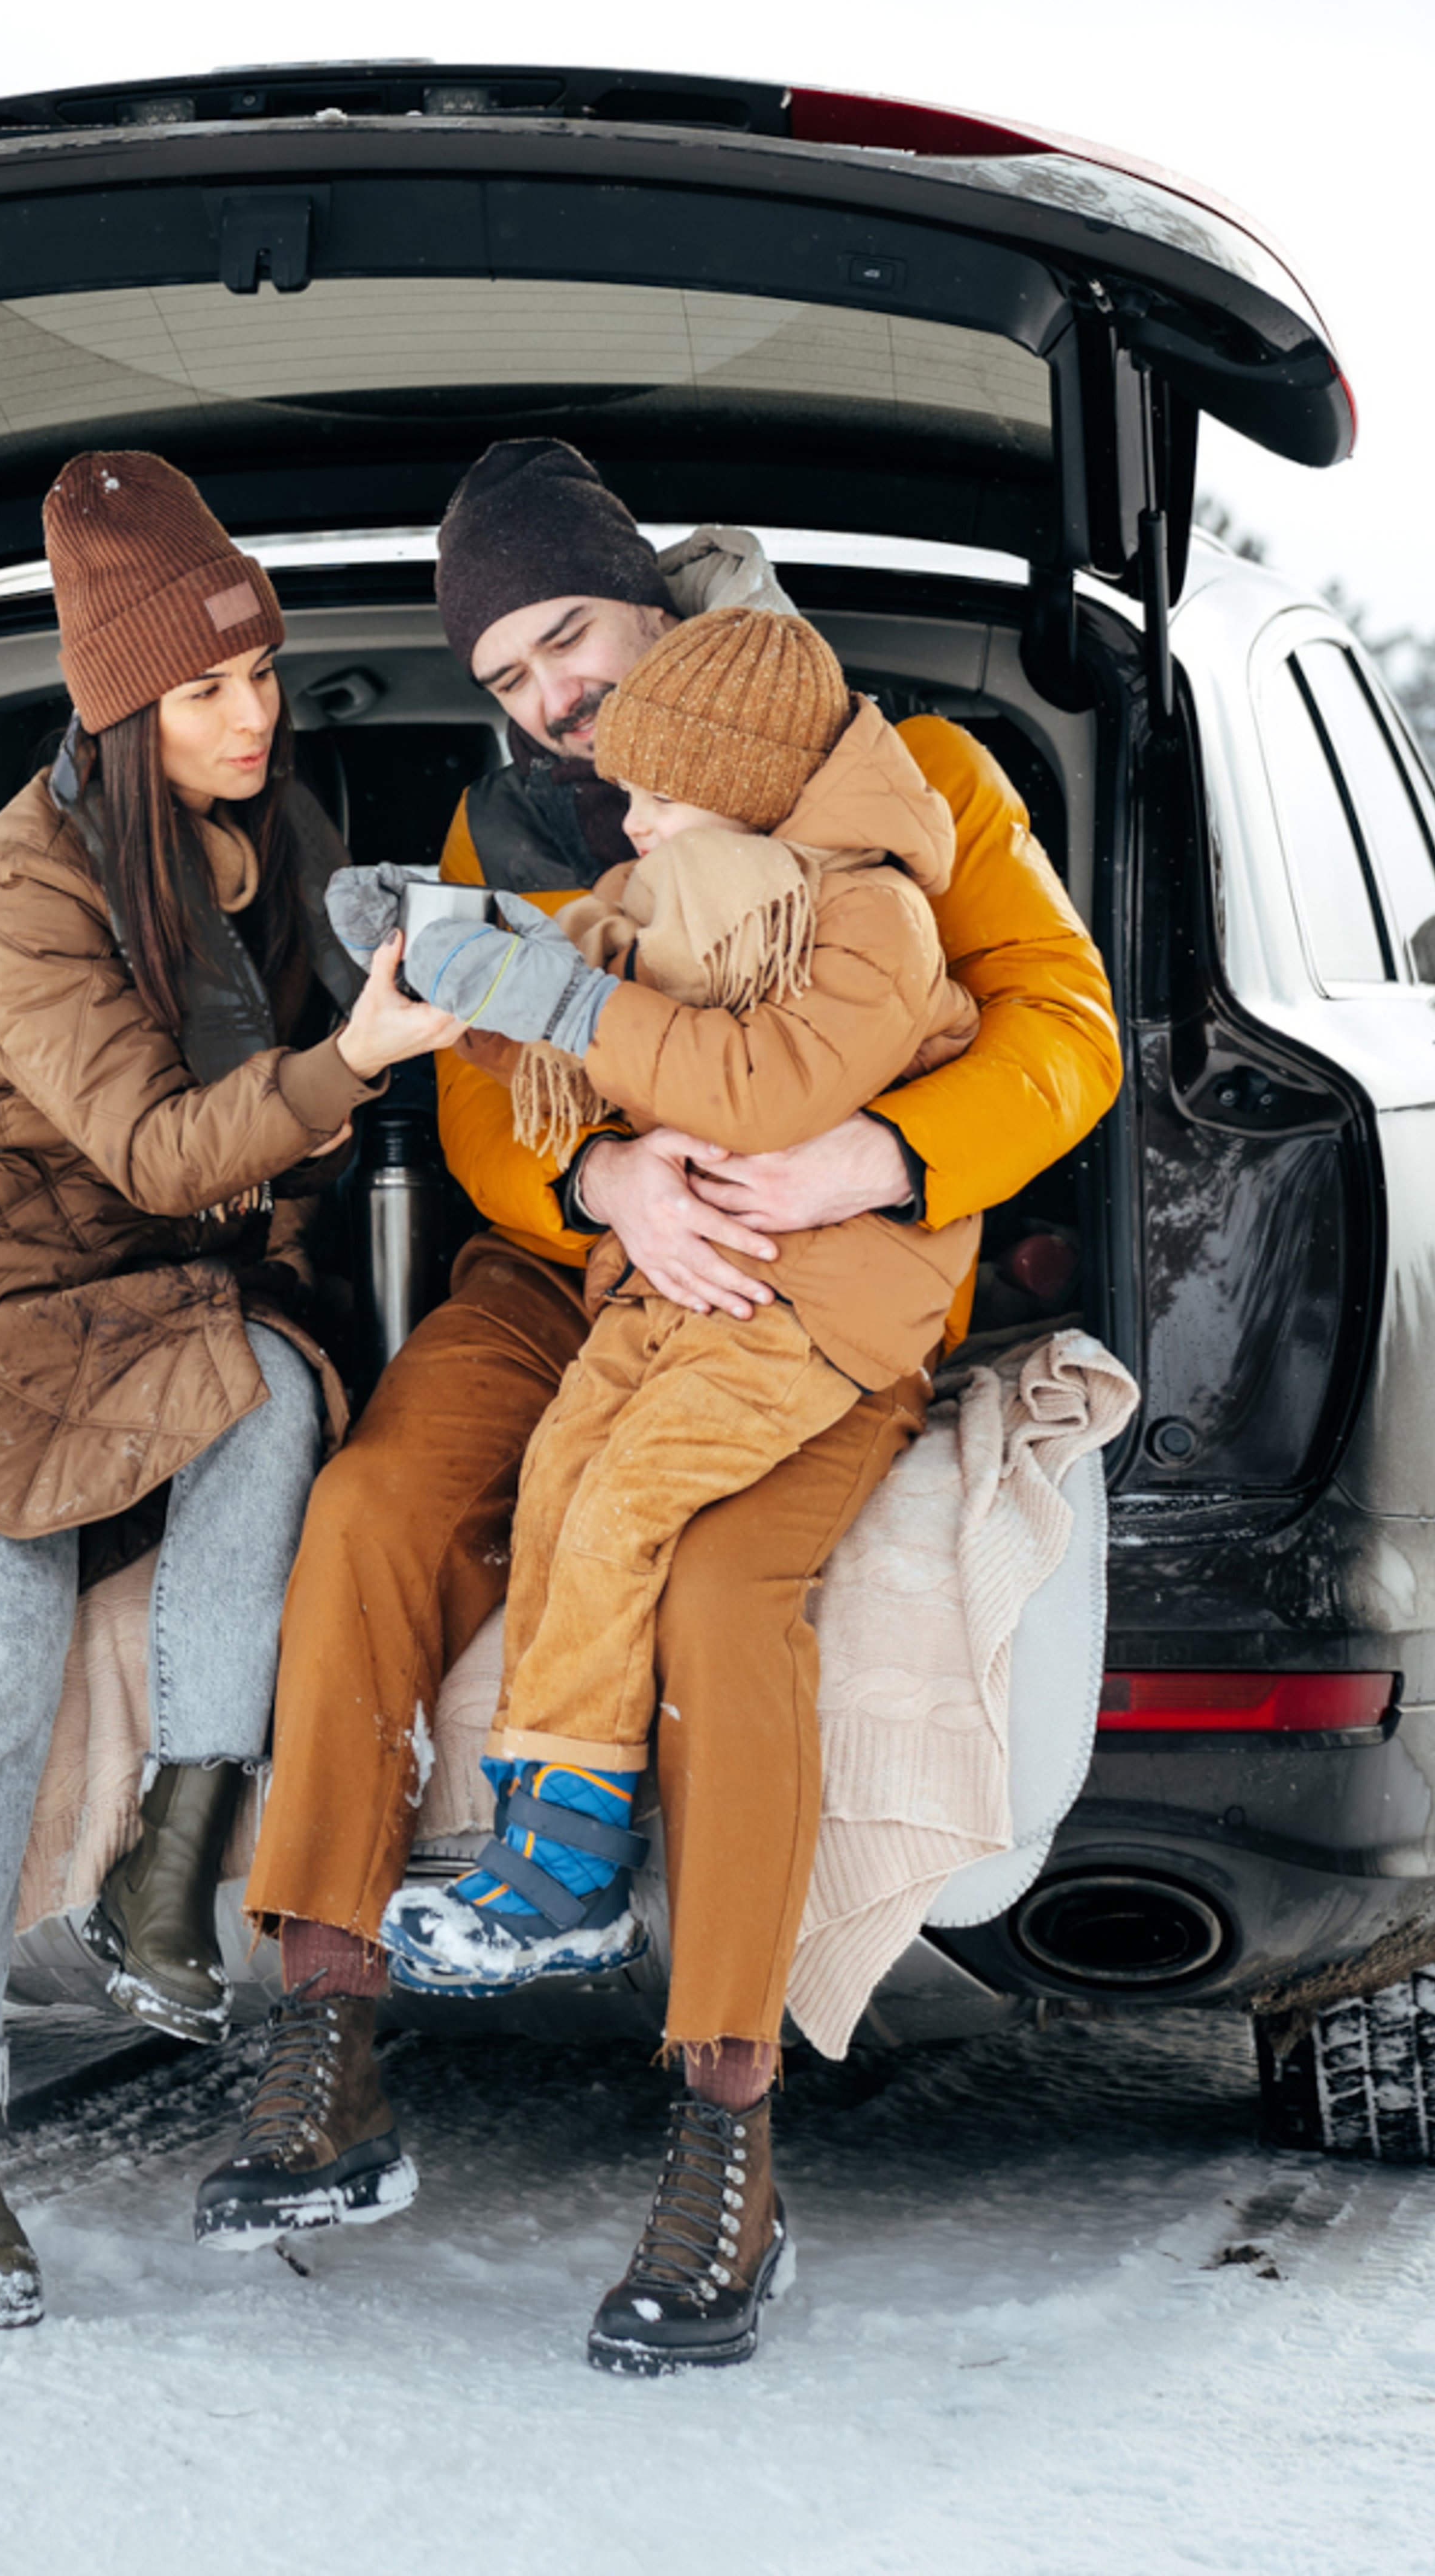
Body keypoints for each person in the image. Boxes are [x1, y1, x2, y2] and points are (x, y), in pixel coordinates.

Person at [201, 439, 1120, 2379]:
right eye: (510, 674)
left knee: (716, 1596)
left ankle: (728, 2137)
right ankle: (330, 2031)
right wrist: (603, 1185)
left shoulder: (919, 778)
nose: (549, 695)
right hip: (570, 1276)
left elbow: (1067, 1025)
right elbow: (473, 1097)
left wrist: (885, 1157)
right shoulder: (499, 831)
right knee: (373, 1511)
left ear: (655, 600)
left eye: (569, 637)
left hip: (797, 1276)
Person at [0, 450, 461, 2328]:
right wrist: (356, 1058)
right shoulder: (25, 879)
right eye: (205, 690)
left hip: (146, 1295)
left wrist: (407, 981)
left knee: (280, 1401)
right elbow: (156, 1143)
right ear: (119, 702)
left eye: (258, 674)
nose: (252, 715)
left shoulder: (263, 833)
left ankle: (176, 1856)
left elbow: (243, 1135)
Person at [379, 605, 981, 1998]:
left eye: (660, 797)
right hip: (680, 1278)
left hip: (813, 1302)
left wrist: (567, 1005)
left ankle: (572, 1869)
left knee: (627, 1501)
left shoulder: (869, 915)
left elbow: (763, 1088)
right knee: (560, 1478)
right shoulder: (698, 894)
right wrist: (468, 969)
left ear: (750, 782)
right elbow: (583, 1003)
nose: (634, 827)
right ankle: (542, 1808)